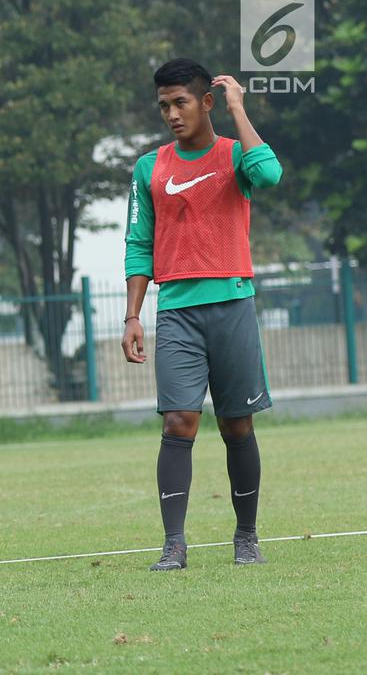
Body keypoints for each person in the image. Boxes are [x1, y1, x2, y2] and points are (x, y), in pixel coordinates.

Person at [121, 58, 283, 571]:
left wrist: (239, 109)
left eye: (180, 103)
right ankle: (174, 544)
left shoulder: (236, 156)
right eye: (164, 105)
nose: (171, 113)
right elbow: (138, 244)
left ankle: (247, 537)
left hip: (232, 305)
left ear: (206, 102)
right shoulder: (149, 168)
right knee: (179, 421)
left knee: (237, 426)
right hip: (177, 314)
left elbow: (270, 174)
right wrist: (132, 316)